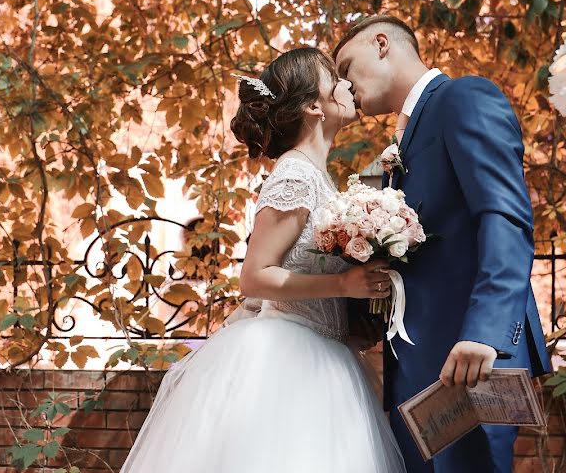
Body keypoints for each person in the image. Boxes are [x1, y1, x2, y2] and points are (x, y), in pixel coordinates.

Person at [120, 47, 406, 473]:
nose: (347, 86)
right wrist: (343, 286)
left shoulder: (316, 176)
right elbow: (254, 277)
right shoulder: (295, 174)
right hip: (286, 358)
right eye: (335, 79)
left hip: (328, 352)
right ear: (314, 106)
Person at [334, 15, 552, 473]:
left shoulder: (463, 98)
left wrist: (485, 331)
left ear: (380, 44)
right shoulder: (401, 142)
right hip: (418, 370)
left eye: (347, 68)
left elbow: (504, 215)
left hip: (469, 356)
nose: (345, 86)